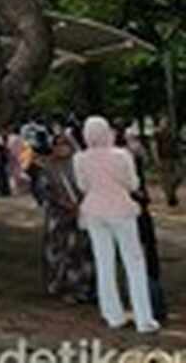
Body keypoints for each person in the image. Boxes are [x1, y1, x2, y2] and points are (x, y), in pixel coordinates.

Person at [73, 116, 159, 333]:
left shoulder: (80, 159)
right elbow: (132, 184)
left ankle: (113, 315)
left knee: (104, 263)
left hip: (93, 211)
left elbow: (82, 186)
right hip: (121, 211)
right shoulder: (121, 155)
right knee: (134, 263)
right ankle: (144, 318)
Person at [32, 133, 94, 303]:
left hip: (80, 214)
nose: (61, 148)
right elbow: (43, 191)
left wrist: (80, 205)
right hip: (58, 216)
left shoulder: (80, 166)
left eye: (65, 144)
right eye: (58, 144)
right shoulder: (48, 167)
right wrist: (63, 203)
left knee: (79, 251)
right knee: (57, 251)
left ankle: (80, 287)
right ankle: (58, 285)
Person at [118, 132, 168, 321]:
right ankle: (153, 306)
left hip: (131, 216)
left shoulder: (123, 163)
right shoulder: (131, 159)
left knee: (139, 263)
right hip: (137, 214)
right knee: (145, 262)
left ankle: (150, 307)